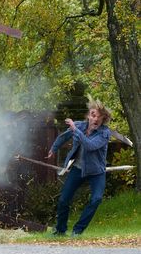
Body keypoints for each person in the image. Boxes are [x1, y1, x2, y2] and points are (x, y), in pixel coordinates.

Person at [47, 96, 111, 237]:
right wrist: (54, 148)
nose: (95, 119)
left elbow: (90, 145)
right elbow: (63, 136)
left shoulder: (104, 133)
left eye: (99, 117)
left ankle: (77, 231)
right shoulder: (80, 126)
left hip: (96, 172)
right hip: (78, 169)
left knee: (96, 199)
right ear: (89, 115)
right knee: (64, 200)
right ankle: (60, 230)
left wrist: (76, 130)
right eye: (93, 115)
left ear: (103, 120)